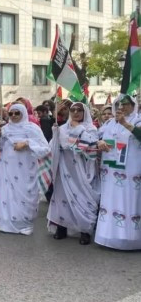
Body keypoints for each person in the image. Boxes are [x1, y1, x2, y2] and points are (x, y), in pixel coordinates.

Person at [0, 104, 50, 235]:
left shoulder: (32, 128)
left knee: (24, 194)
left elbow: (45, 148)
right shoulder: (5, 128)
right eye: (11, 113)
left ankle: (24, 224)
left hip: (25, 170)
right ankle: (5, 223)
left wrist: (27, 143)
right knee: (7, 195)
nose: (13, 116)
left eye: (17, 113)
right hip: (6, 168)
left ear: (23, 113)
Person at [47, 102, 100, 245]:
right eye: (73, 110)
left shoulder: (91, 128)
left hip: (82, 169)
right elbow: (52, 146)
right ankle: (62, 227)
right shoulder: (62, 128)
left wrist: (79, 130)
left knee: (84, 198)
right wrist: (55, 133)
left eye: (79, 110)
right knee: (62, 197)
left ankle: (85, 231)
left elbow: (92, 145)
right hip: (64, 167)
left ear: (85, 112)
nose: (76, 113)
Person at [95, 95, 141, 250]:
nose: (122, 107)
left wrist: (125, 124)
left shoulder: (137, 120)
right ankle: (109, 236)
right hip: (110, 169)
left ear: (133, 105)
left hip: (131, 172)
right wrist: (99, 142)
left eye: (126, 104)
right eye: (119, 104)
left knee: (128, 202)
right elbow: (96, 136)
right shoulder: (109, 123)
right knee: (111, 201)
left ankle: (131, 239)